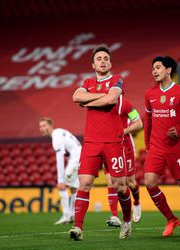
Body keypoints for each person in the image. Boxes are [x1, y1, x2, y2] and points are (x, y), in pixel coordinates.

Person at [69, 44, 132, 241]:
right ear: (93, 64)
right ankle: (77, 228)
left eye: (106, 58)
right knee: (85, 183)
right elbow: (75, 96)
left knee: (120, 186)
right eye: (99, 59)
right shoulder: (87, 81)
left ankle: (127, 221)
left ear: (110, 63)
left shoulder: (116, 79)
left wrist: (87, 102)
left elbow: (111, 99)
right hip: (91, 142)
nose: (103, 61)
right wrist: (98, 97)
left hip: (113, 141)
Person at [144, 56, 180, 237]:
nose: (154, 71)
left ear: (168, 70)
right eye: (153, 68)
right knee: (150, 183)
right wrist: (147, 144)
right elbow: (149, 120)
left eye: (158, 67)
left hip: (177, 148)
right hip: (157, 148)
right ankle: (171, 219)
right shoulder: (150, 94)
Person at [105, 97, 143, 227]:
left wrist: (123, 131)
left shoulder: (126, 104)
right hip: (109, 146)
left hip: (125, 145)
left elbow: (139, 124)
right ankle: (115, 216)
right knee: (111, 181)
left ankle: (136, 202)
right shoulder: (101, 102)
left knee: (130, 183)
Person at [39, 117, 81, 225]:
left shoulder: (56, 137)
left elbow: (60, 159)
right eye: (40, 127)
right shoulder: (59, 132)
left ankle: (67, 215)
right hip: (79, 156)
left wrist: (60, 179)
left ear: (50, 125)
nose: (42, 129)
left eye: (44, 126)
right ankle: (72, 215)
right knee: (73, 188)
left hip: (76, 158)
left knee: (61, 186)